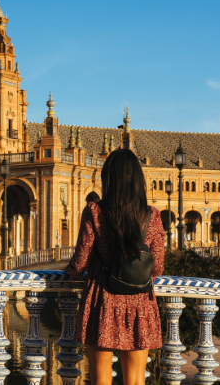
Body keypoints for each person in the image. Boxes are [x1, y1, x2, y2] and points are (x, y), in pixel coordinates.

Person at [65, 149, 163, 385]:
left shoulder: (95, 212)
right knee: (136, 381)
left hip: (103, 299)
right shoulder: (152, 215)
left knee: (101, 379)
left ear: (109, 178)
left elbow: (80, 262)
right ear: (138, 180)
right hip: (139, 301)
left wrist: (68, 274)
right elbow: (157, 267)